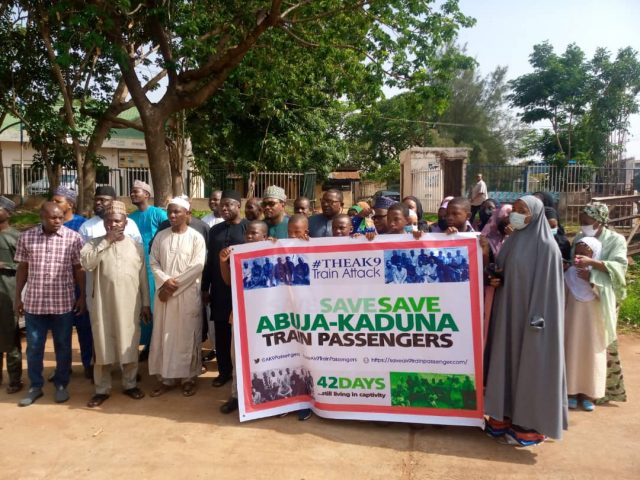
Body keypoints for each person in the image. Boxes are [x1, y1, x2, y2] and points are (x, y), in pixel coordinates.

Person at [484, 195, 567, 446]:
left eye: (523, 211)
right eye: (515, 210)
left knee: (530, 369)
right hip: (508, 313)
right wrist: (494, 277)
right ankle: (502, 418)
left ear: (536, 215)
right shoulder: (513, 241)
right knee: (505, 363)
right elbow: (502, 271)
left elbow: (549, 291)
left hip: (532, 322)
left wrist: (538, 321)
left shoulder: (547, 248)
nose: (515, 215)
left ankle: (528, 427)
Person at [80, 201, 151, 407]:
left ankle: (129, 384)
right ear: (104, 224)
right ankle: (102, 389)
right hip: (102, 304)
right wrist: (106, 242)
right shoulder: (93, 244)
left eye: (117, 221)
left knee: (129, 344)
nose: (113, 225)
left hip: (130, 304)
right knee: (102, 345)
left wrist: (146, 303)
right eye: (109, 221)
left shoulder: (136, 247)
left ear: (125, 222)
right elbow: (87, 264)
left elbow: (143, 278)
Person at [15, 202, 85, 407]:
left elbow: (79, 269)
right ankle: (35, 386)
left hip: (62, 303)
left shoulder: (73, 239)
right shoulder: (27, 237)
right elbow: (22, 269)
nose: (58, 221)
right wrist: (18, 296)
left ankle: (61, 384)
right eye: (53, 218)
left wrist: (81, 297)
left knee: (63, 345)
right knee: (34, 347)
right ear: (42, 217)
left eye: (60, 217)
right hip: (34, 304)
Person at [148, 197, 206, 397]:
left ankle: (189, 378)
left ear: (187, 214)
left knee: (187, 336)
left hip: (186, 296)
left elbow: (197, 267)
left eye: (177, 212)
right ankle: (166, 378)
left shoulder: (196, 238)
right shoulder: (161, 236)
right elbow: (153, 262)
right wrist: (164, 282)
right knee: (164, 336)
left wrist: (170, 288)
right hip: (164, 297)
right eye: (170, 212)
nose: (172, 215)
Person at [573, 203, 628, 404]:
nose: (582, 226)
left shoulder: (615, 240)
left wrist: (593, 267)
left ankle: (594, 391)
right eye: (581, 222)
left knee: (599, 345)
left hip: (602, 298)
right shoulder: (580, 237)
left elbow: (620, 267)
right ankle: (574, 388)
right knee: (577, 344)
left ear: (599, 221)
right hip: (578, 300)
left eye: (586, 222)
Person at [218, 221, 269, 414]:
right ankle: (236, 396)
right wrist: (223, 262)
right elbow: (228, 282)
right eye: (247, 233)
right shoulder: (238, 255)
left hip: (264, 317)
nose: (249, 237)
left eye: (254, 234)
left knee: (262, 357)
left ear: (264, 237)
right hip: (240, 314)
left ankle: (264, 397)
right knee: (237, 356)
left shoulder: (272, 253)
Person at [202, 190, 247, 387]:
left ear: (239, 206)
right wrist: (205, 287)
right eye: (222, 205)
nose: (225, 208)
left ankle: (243, 373)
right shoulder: (215, 231)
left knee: (242, 333)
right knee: (221, 333)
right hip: (220, 290)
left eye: (229, 205)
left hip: (243, 290)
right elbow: (211, 261)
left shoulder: (248, 228)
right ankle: (224, 372)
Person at [564, 237, 605, 412]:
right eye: (577, 253)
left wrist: (592, 279)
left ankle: (589, 394)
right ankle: (571, 393)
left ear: (594, 254)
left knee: (591, 355)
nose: (579, 256)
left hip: (594, 324)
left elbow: (609, 297)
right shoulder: (569, 273)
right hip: (572, 323)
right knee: (571, 353)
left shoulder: (601, 275)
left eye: (585, 253)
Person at [129, 179, 168, 361]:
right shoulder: (130, 218)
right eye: (132, 191)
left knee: (155, 306)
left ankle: (157, 345)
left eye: (137, 191)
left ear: (147, 194)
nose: (133, 194)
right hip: (137, 266)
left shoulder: (158, 213)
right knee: (141, 306)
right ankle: (146, 344)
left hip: (155, 267)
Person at [0, 196, 22, 394]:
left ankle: (15, 379)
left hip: (8, 293)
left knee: (11, 337)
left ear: (8, 213)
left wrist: (5, 265)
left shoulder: (15, 237)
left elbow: (25, 266)